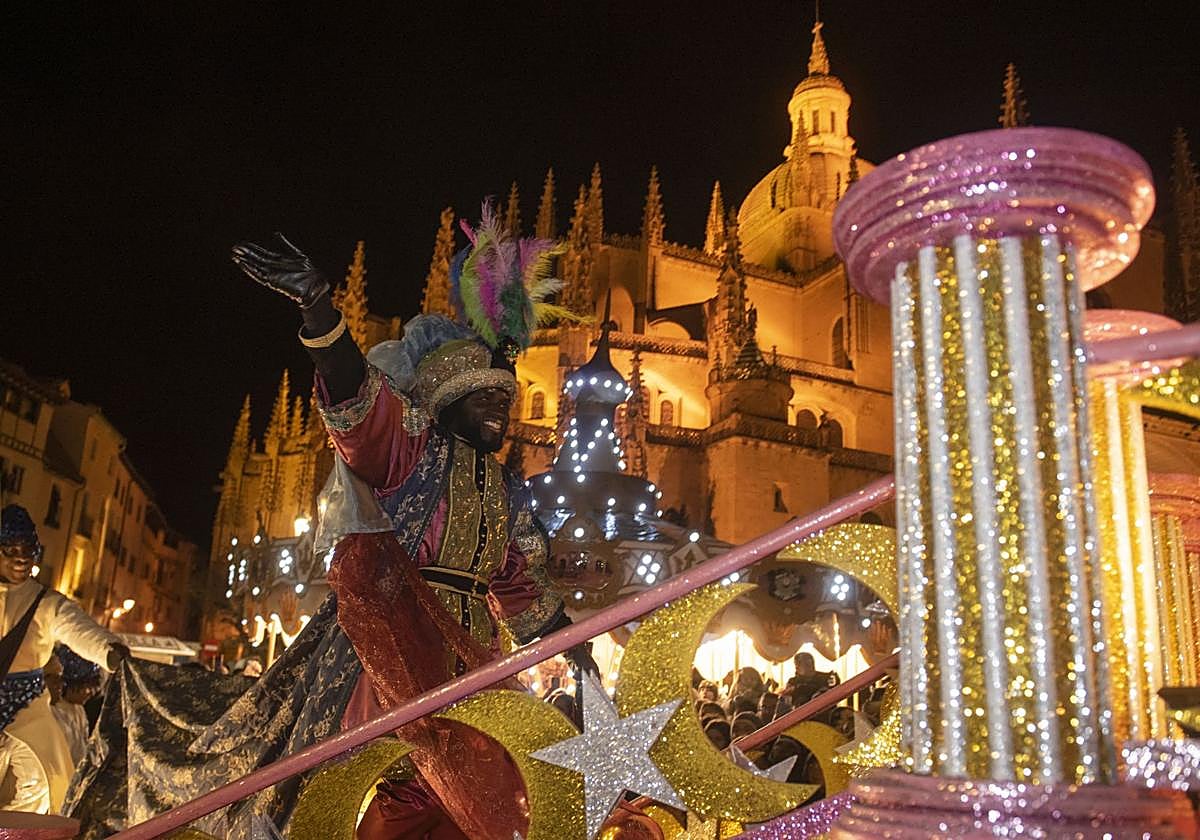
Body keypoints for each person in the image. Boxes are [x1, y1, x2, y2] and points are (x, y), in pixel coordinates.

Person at [231, 212, 597, 839]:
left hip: (475, 666)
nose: (500, 411)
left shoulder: (507, 491)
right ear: (446, 400)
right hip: (389, 651)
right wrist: (320, 311)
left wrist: (580, 654)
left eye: (506, 400)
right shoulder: (413, 453)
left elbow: (526, 596)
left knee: (470, 806)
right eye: (485, 396)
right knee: (373, 789)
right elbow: (357, 404)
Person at [0, 505, 128, 812]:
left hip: (27, 707)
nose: (20, 557)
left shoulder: (46, 602)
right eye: (11, 549)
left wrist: (110, 653)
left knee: (44, 781)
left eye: (27, 550)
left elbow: (78, 629)